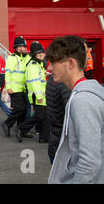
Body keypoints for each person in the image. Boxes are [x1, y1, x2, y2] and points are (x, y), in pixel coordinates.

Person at [46, 35, 104, 184]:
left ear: (70, 63)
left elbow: (90, 163)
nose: (49, 68)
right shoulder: (82, 95)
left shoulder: (82, 101)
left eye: (53, 62)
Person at [15, 41, 50, 143]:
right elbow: (35, 82)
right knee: (39, 116)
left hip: (41, 95)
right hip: (37, 95)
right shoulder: (34, 65)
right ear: (34, 54)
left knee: (44, 117)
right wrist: (39, 97)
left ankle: (44, 138)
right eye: (39, 53)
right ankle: (21, 128)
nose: (42, 55)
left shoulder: (38, 64)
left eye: (42, 53)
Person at [1, 36, 31, 138]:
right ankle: (7, 124)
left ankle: (20, 130)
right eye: (24, 46)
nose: (26, 48)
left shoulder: (25, 57)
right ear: (18, 47)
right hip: (14, 88)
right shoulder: (12, 58)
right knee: (20, 109)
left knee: (24, 110)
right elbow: (8, 73)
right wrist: (8, 87)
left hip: (22, 88)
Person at [46, 73, 71, 164]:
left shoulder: (53, 80)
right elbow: (71, 115)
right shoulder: (64, 82)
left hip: (55, 140)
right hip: (63, 146)